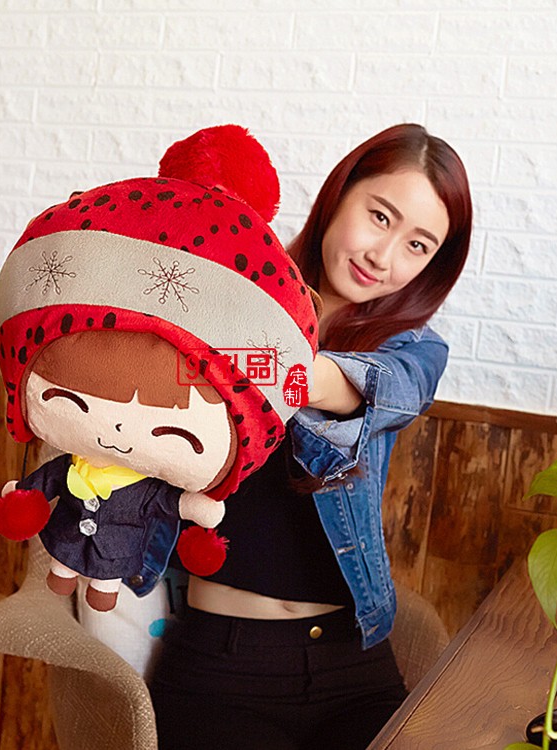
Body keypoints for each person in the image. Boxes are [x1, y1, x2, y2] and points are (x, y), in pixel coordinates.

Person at [148, 123, 473, 750]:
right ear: (339, 194)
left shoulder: (414, 351)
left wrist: (229, 350)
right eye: (379, 216)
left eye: (417, 245)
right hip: (222, 664)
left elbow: (342, 384)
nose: (384, 256)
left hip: (355, 664)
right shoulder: (231, 293)